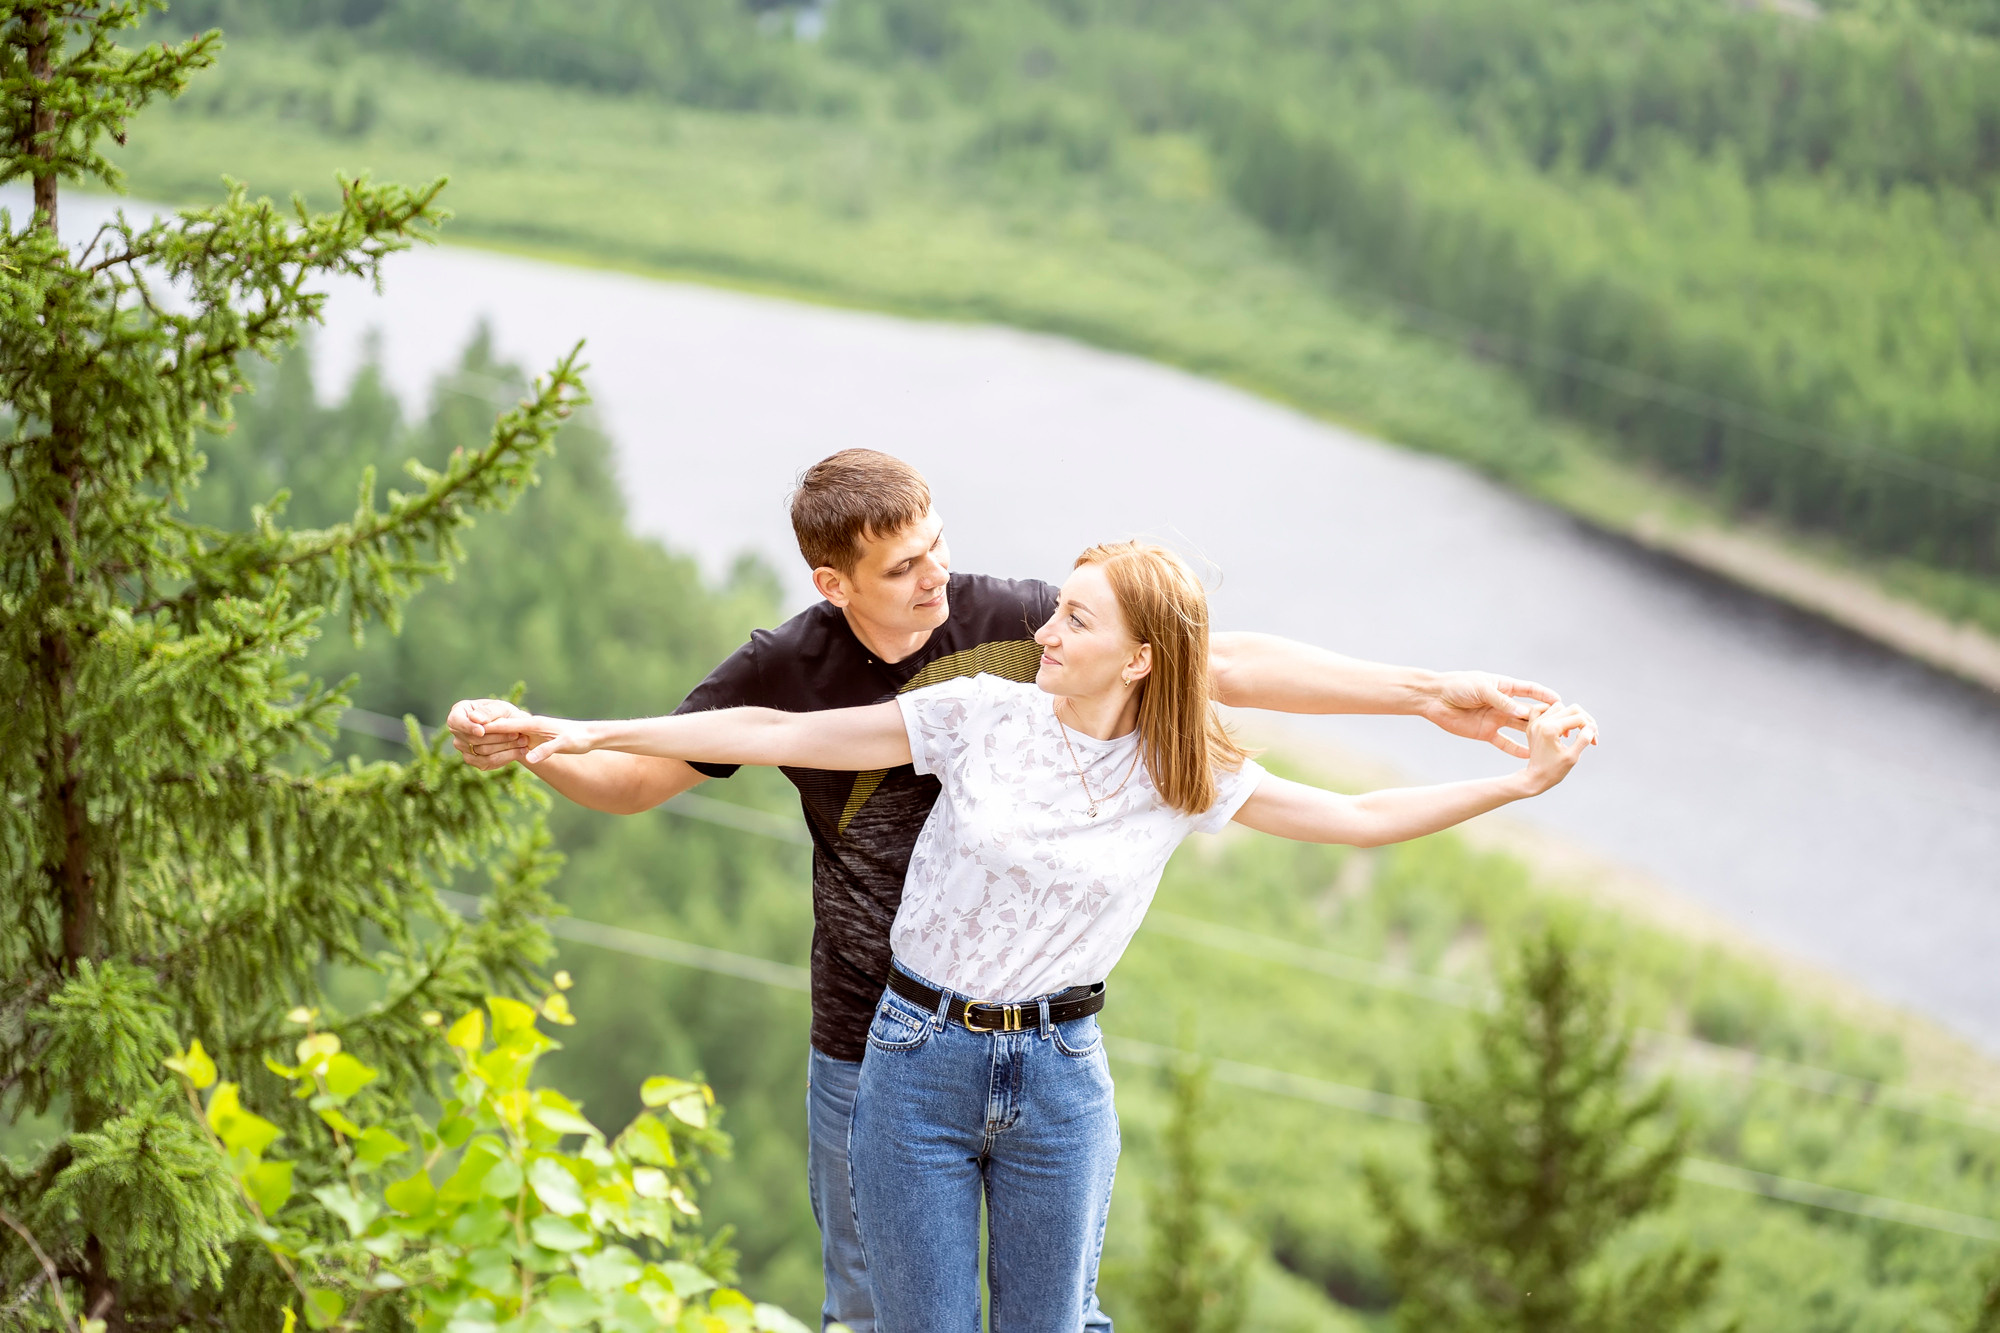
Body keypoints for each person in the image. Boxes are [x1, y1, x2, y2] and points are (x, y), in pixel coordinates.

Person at [446, 449, 1564, 1333]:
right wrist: (549, 739)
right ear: (834, 585)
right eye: (903, 567)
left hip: (1053, 1057)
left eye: (939, 546)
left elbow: (1211, 664)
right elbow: (677, 764)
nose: (941, 579)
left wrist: (1437, 705)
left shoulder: (1029, 639)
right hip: (876, 1040)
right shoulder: (825, 671)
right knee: (875, 1310)